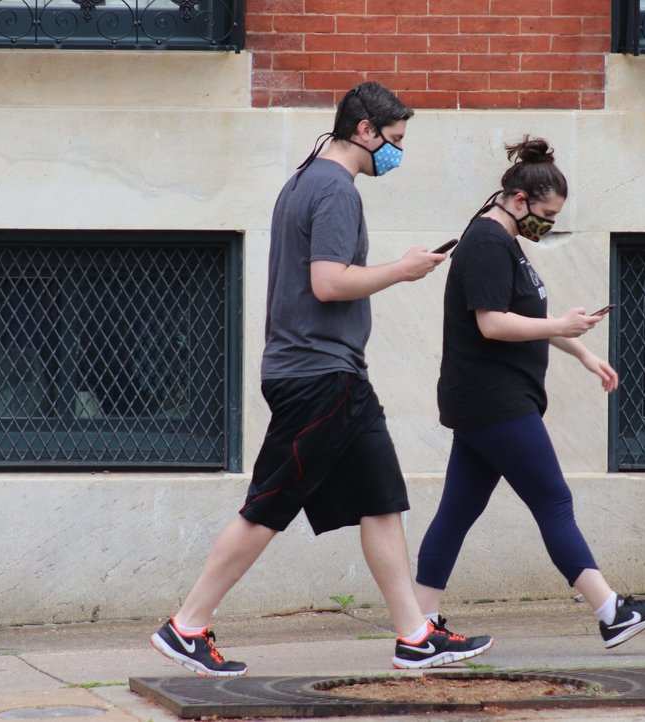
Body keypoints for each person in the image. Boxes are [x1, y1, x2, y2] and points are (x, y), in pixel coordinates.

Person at [149, 81, 493, 677]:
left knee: (383, 502)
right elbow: (329, 282)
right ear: (365, 130)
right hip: (317, 376)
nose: (397, 153)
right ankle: (186, 626)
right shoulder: (335, 188)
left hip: (334, 374)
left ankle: (414, 636)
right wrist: (403, 270)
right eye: (396, 140)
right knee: (268, 506)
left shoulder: (306, 178)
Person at [415, 136, 645, 651]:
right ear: (517, 200)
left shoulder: (502, 242)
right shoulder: (488, 242)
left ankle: (420, 626)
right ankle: (611, 611)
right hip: (495, 400)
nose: (548, 224)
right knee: (553, 501)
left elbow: (528, 319)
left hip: (485, 402)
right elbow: (492, 325)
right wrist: (561, 323)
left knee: (456, 512)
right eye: (546, 214)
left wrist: (580, 350)